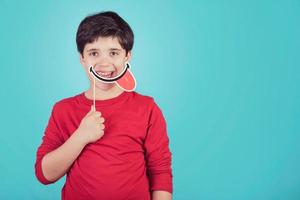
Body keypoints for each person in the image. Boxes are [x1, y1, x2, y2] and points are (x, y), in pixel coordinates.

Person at [34, 11, 173, 200]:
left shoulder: (147, 108)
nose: (104, 63)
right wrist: (80, 137)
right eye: (93, 53)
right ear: (82, 58)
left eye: (114, 53)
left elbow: (160, 172)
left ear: (127, 56)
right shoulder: (63, 110)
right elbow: (45, 174)